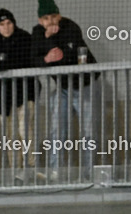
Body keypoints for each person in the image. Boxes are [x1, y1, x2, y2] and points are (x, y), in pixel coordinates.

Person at [31, 0, 100, 178]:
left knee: (89, 132)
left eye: (54, 16)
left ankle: (89, 172)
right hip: (62, 88)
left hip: (84, 85)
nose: (51, 21)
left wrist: (50, 42)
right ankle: (56, 170)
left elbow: (67, 55)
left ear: (59, 16)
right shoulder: (37, 33)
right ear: (40, 21)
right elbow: (33, 59)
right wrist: (46, 56)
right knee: (56, 129)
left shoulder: (70, 27)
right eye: (46, 18)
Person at [0, 8, 38, 182]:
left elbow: (22, 60)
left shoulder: (24, 37)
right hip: (5, 97)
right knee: (10, 135)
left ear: (14, 23)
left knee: (25, 131)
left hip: (25, 93)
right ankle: (16, 170)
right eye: (2, 24)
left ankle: (32, 167)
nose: (6, 27)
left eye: (9, 23)